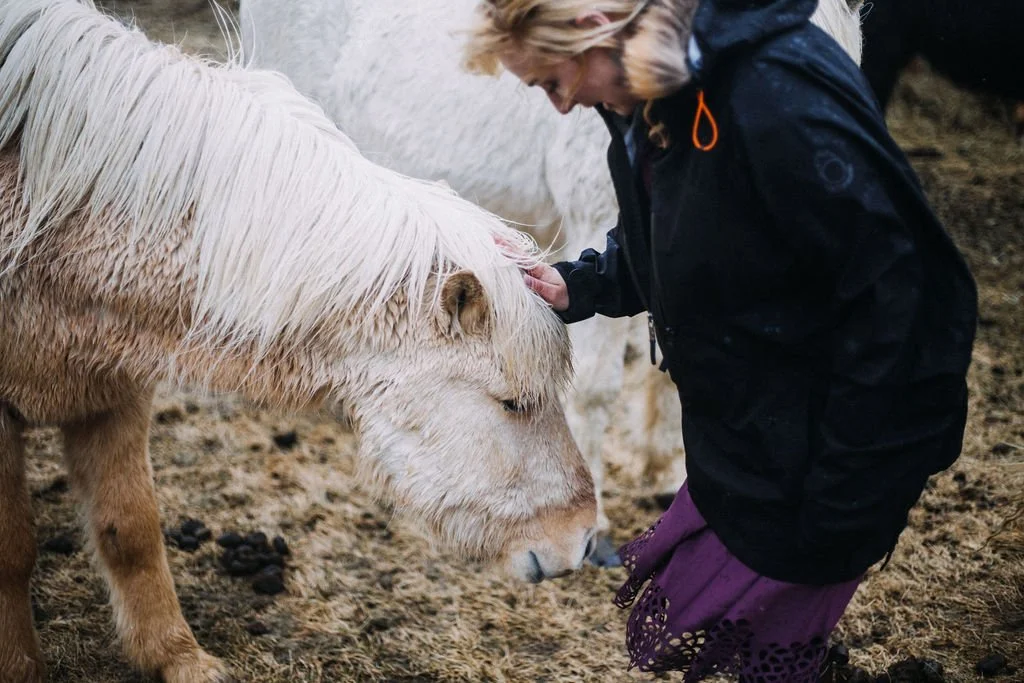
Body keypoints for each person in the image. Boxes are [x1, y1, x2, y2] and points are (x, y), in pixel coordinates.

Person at [464, 0, 979, 680]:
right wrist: (578, 286)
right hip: (753, 444)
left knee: (770, 650)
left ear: (592, 29)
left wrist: (840, 499)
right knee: (732, 639)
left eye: (551, 83)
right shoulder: (653, 101)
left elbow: (903, 299)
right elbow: (690, 233)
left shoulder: (774, 96)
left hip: (824, 463)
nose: (560, 107)